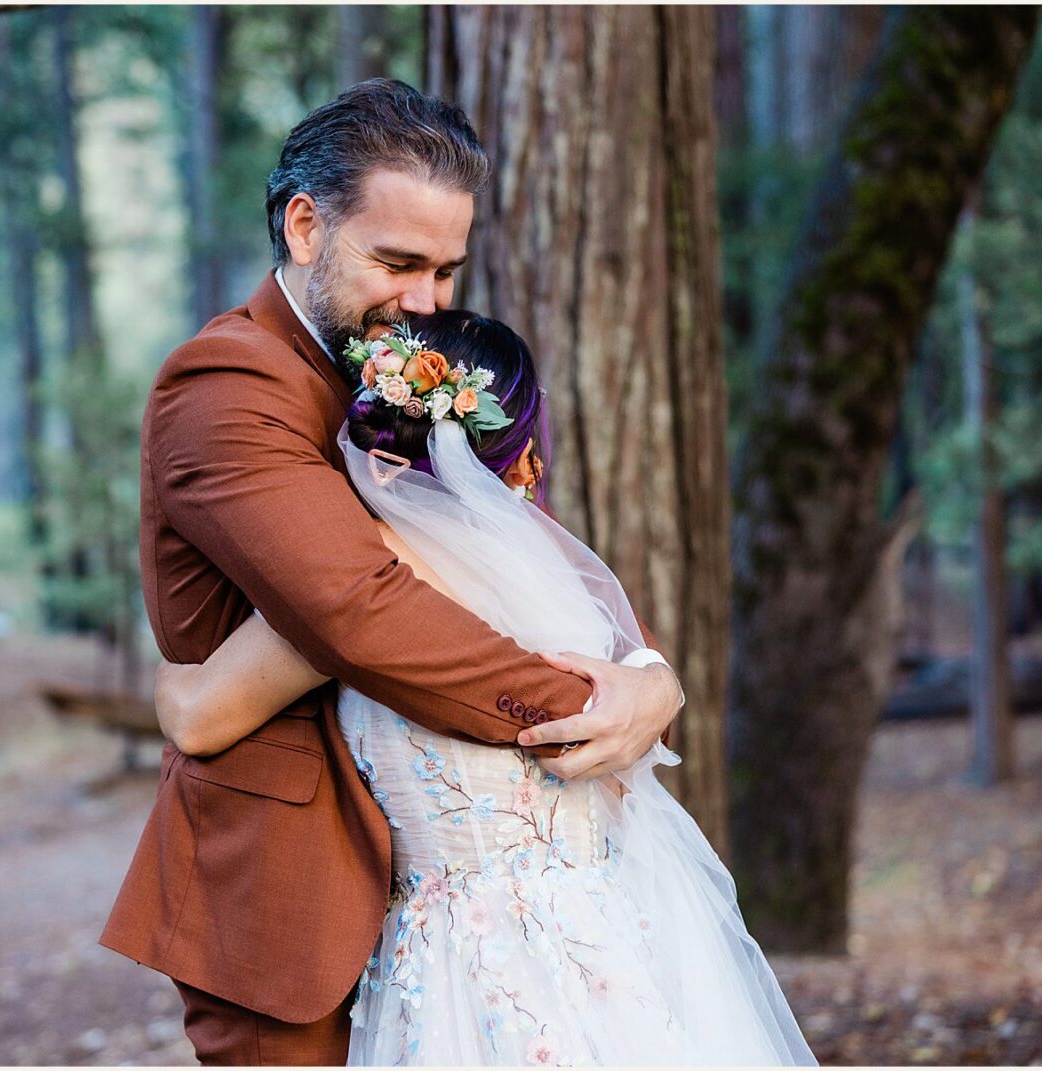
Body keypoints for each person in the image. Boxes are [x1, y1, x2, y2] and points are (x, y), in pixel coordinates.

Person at [98, 79, 683, 1066]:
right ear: (302, 226)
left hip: (456, 890)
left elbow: (506, 563)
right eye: (397, 261)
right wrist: (592, 709)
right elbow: (357, 605)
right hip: (293, 894)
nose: (423, 302)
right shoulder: (228, 383)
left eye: (446, 271)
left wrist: (648, 675)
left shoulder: (401, 376)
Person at [151, 310, 818, 1066]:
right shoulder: (547, 566)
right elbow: (620, 778)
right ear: (520, 454)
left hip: (457, 964)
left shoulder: (357, 581)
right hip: (603, 935)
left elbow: (198, 714)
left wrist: (169, 668)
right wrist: (654, 680)